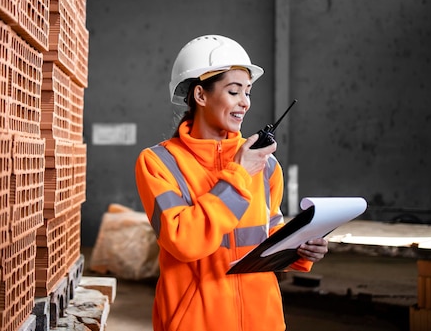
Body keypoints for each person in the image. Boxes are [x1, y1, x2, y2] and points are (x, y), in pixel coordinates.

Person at [135, 35, 328, 331]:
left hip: (263, 320)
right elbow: (184, 242)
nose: (245, 103)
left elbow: (268, 235)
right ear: (200, 95)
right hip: (196, 322)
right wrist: (238, 174)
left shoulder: (266, 166)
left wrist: (300, 248)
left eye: (248, 92)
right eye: (234, 91)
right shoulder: (159, 163)